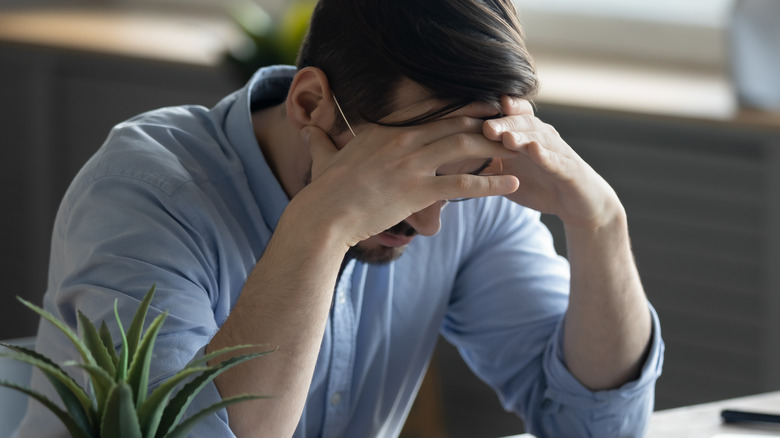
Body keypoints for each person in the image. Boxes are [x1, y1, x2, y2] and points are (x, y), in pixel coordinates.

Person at [16, 0, 664, 436]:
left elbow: (591, 425)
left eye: (457, 180)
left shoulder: (467, 198)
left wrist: (601, 222)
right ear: (309, 103)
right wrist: (322, 224)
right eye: (406, 168)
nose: (435, 223)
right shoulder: (144, 190)